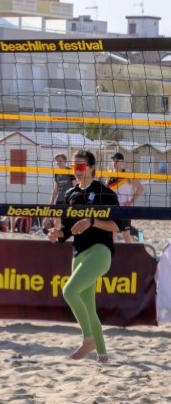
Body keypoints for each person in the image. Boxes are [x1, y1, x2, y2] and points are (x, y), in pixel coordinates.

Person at [46, 149, 122, 363]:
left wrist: (92, 221)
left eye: (80, 166)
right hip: (78, 253)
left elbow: (118, 225)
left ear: (91, 167)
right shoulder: (71, 194)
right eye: (74, 166)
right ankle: (103, 356)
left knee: (69, 290)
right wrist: (56, 234)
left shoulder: (105, 192)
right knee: (89, 307)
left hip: (100, 251)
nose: (77, 170)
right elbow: (67, 230)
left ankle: (88, 340)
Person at [106, 152, 143, 242]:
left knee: (125, 234)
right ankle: (113, 252)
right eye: (113, 160)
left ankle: (135, 243)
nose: (114, 162)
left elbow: (140, 188)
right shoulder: (109, 174)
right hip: (112, 208)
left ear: (122, 162)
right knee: (112, 235)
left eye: (116, 160)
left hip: (124, 209)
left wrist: (131, 202)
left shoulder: (127, 174)